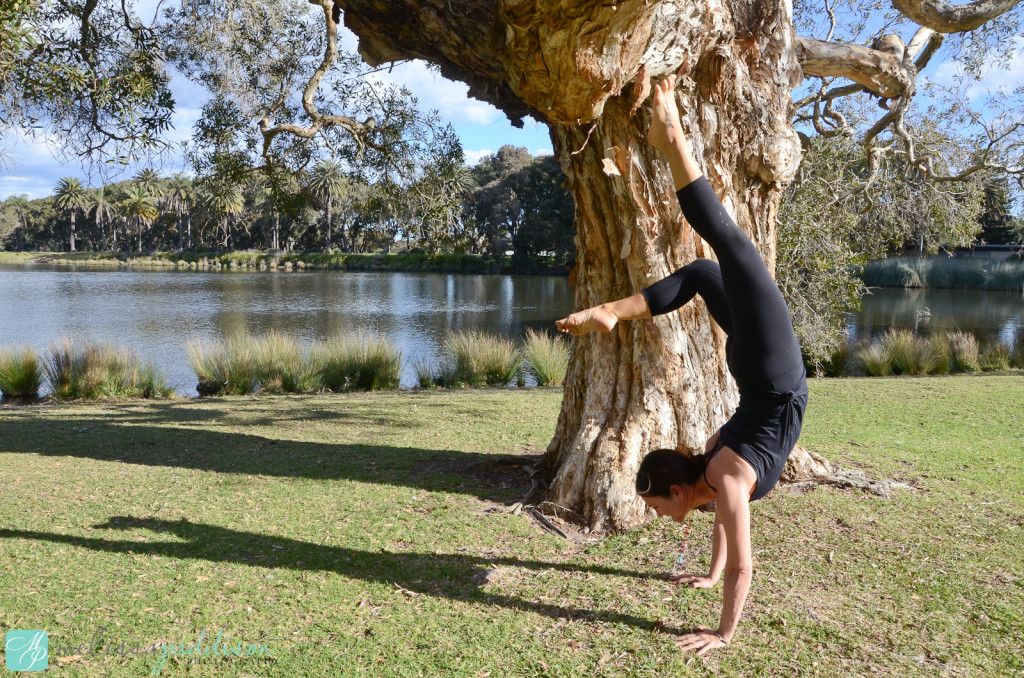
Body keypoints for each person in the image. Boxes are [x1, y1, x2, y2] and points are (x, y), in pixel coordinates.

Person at [555, 75, 808, 656]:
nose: (662, 516)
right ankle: (616, 312)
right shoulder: (719, 473)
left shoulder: (722, 472)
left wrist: (722, 635)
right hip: (761, 368)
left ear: (676, 489)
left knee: (724, 250)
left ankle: (671, 136)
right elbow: (727, 534)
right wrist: (711, 576)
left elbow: (743, 559)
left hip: (771, 368)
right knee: (706, 265)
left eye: (656, 506)